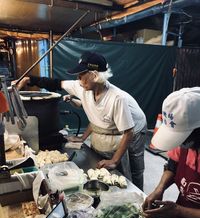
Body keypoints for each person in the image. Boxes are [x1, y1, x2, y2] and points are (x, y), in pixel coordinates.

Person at [15, 51, 147, 190]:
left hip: (135, 128)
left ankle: (140, 196)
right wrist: (29, 80)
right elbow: (56, 84)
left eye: (81, 75)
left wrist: (114, 160)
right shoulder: (82, 87)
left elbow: (128, 132)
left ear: (95, 76)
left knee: (134, 168)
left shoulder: (116, 98)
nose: (78, 79)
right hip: (117, 125)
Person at [142, 87, 200, 218]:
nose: (181, 145)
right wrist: (159, 189)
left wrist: (177, 210)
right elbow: (173, 165)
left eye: (183, 139)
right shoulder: (187, 143)